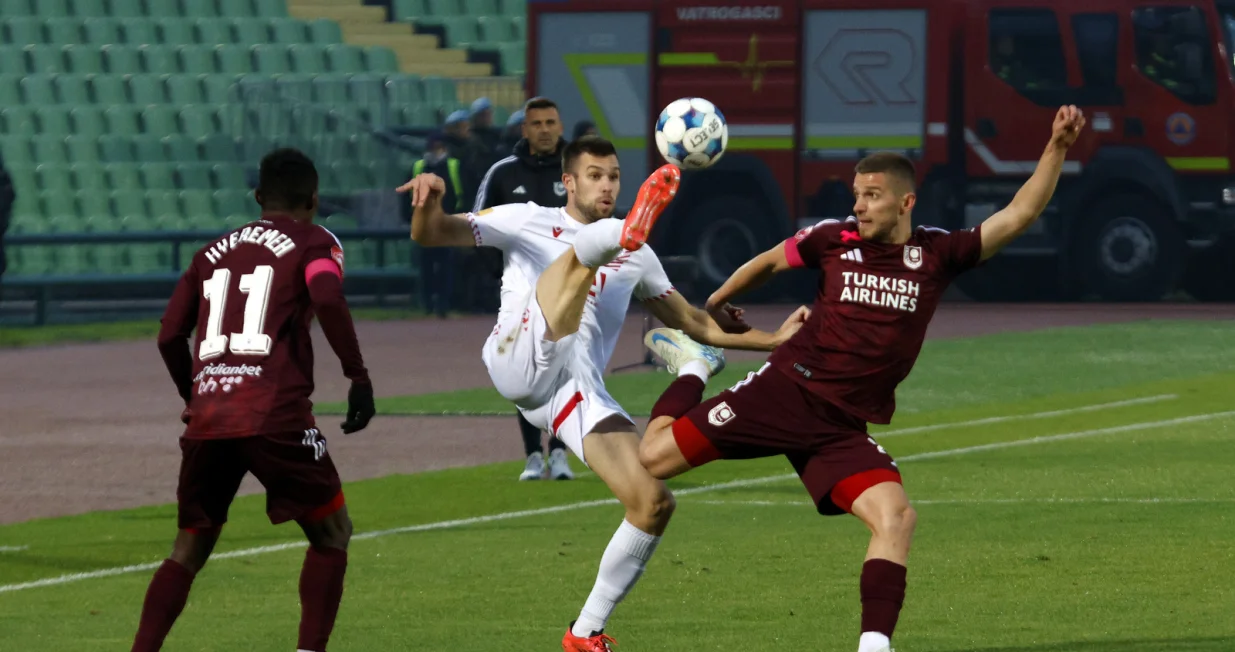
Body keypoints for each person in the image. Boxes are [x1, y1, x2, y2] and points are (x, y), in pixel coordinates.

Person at [636, 107, 1087, 652]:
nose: (859, 204)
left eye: (872, 195)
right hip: (785, 391)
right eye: (857, 194)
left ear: (906, 202)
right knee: (654, 460)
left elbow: (1018, 214)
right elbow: (771, 261)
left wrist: (1057, 147)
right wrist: (720, 302)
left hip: (839, 426)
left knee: (896, 517)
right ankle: (693, 364)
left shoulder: (938, 254)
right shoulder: (833, 239)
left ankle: (874, 647)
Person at [399, 135, 806, 652]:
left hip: (572, 389)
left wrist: (773, 340)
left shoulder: (637, 257)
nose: (607, 183)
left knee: (652, 502)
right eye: (595, 175)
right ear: (568, 182)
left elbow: (695, 322)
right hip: (516, 358)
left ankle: (584, 631)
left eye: (613, 175)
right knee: (570, 268)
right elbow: (432, 233)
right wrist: (428, 197)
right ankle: (603, 243)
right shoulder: (527, 219)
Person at [133, 148, 377, 652]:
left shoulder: (210, 252)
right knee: (332, 533)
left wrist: (195, 392)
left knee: (189, 548)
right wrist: (357, 376)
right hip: (275, 414)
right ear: (314, 198)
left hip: (210, 416)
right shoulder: (314, 240)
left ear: (259, 197)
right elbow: (326, 294)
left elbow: (168, 336)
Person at [473, 96, 575, 481]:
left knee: (567, 369)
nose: (545, 129)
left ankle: (561, 451)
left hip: (571, 289)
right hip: (521, 292)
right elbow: (477, 225)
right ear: (525, 130)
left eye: (551, 122)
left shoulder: (577, 170)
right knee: (523, 370)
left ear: (560, 127)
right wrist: (495, 279)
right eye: (537, 123)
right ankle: (533, 454)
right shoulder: (502, 174)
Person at [411, 131, 466, 318]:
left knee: (445, 266)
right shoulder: (419, 167)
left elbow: (461, 193)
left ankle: (443, 305)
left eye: (436, 147)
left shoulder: (453, 166)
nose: (433, 151)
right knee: (426, 266)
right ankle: (427, 304)